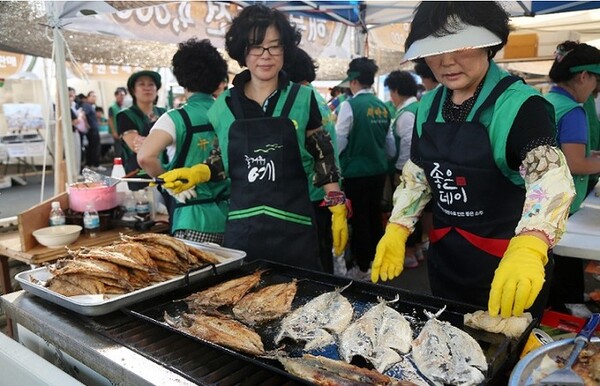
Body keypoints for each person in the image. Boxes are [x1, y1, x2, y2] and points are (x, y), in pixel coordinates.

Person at [372, 1, 575, 319]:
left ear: (489, 42)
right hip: (447, 261)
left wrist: (531, 246)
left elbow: (550, 177)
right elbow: (418, 173)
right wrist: (398, 226)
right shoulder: (428, 105)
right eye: (435, 47)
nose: (447, 61)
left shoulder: (521, 105)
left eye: (461, 45)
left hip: (507, 266)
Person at [159, 4, 348, 271]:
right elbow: (221, 157)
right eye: (255, 46)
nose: (265, 55)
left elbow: (323, 154)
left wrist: (336, 202)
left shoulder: (303, 98)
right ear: (242, 52)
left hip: (295, 227)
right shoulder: (223, 105)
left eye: (274, 46)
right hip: (243, 230)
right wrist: (198, 173)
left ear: (285, 50)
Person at [137, 38, 230, 244]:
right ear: (218, 79)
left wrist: (167, 182)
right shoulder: (229, 114)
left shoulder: (174, 118)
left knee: (199, 276)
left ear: (181, 79)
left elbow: (145, 157)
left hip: (192, 220)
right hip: (232, 218)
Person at [544, 40, 600, 316]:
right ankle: (565, 306)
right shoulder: (573, 110)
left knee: (549, 258)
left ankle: (559, 302)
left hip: (541, 199)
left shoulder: (546, 101)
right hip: (562, 202)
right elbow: (575, 162)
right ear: (583, 76)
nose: (594, 92)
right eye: (595, 83)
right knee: (562, 258)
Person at [335, 57, 394, 280]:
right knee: (375, 215)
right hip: (379, 171)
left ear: (354, 81)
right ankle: (379, 260)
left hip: (355, 172)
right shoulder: (382, 106)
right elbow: (390, 145)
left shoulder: (349, 106)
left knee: (359, 218)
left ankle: (362, 266)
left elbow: (340, 138)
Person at [285, 47, 341, 274]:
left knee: (311, 258)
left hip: (308, 191)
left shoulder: (298, 101)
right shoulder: (317, 97)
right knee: (323, 251)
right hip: (327, 190)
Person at [383, 70, 421, 269]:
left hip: (408, 171)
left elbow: (408, 144)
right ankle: (418, 249)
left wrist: (401, 169)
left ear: (396, 91)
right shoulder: (419, 106)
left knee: (406, 209)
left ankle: (410, 253)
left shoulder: (406, 114)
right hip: (421, 169)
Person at [117, 70, 166, 190]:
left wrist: (149, 144)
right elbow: (137, 146)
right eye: (141, 84)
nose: (147, 88)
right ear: (133, 90)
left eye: (151, 84)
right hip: (140, 175)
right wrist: (166, 143)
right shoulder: (125, 116)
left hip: (166, 172)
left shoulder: (164, 113)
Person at [83, 91, 103, 171]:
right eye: (92, 96)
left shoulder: (91, 106)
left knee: (93, 147)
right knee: (94, 148)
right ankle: (95, 164)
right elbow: (83, 115)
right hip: (92, 130)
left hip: (94, 129)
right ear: (88, 97)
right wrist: (87, 125)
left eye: (95, 96)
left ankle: (91, 164)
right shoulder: (87, 106)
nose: (94, 98)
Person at [108, 87, 127, 159]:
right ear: (116, 96)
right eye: (120, 95)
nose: (122, 97)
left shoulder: (124, 107)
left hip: (124, 132)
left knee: (124, 150)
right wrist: (114, 132)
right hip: (117, 132)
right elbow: (110, 120)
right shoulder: (112, 107)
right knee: (118, 150)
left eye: (123, 95)